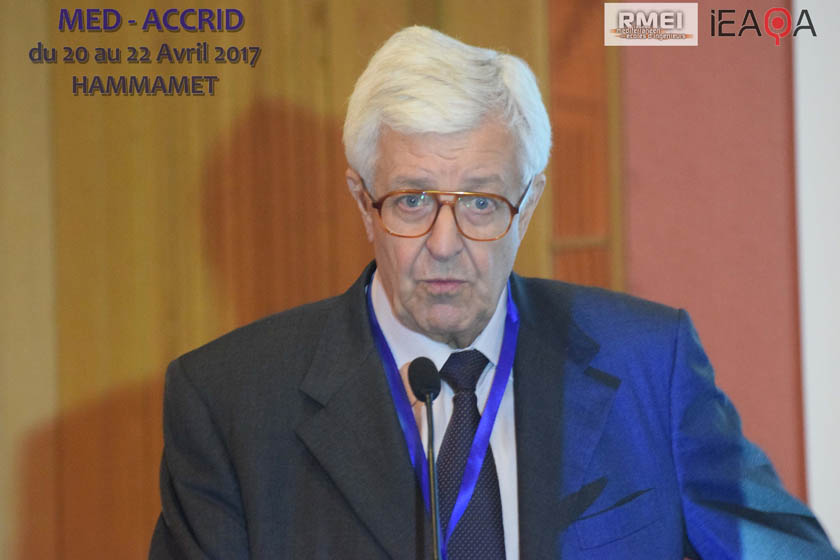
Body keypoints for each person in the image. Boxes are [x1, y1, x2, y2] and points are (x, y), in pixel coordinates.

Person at [149, 26, 839, 559]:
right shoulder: (230, 404)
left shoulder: (648, 365)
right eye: (413, 200)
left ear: (528, 204)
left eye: (481, 203)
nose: (445, 243)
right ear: (363, 202)